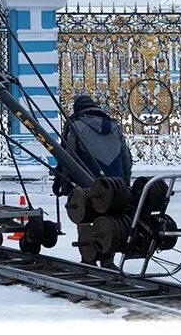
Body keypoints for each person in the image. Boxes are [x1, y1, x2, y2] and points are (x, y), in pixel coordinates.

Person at [52, 95, 131, 269]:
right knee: (109, 218)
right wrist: (124, 184)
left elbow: (68, 157)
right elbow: (126, 158)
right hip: (114, 184)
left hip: (85, 183)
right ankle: (107, 260)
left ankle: (89, 258)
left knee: (85, 217)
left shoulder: (76, 126)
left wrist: (62, 183)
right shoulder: (115, 126)